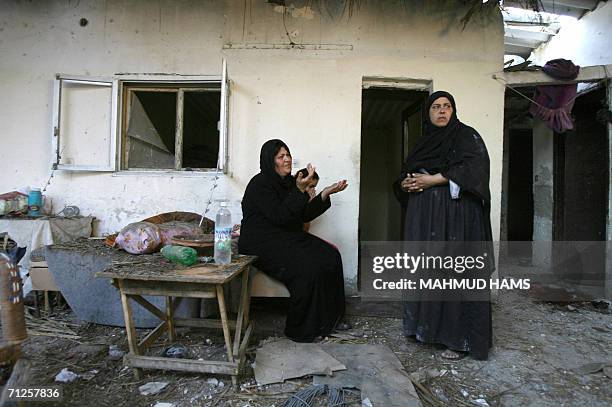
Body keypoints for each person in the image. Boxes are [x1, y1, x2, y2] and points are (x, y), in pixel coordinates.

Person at [393, 91, 494, 360]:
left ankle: (458, 339)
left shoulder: (467, 137)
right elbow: (405, 175)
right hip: (425, 218)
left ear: (454, 110)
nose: (441, 111)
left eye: (447, 106)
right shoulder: (423, 143)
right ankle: (426, 330)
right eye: (436, 107)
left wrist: (435, 180)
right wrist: (405, 183)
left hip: (457, 218)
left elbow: (476, 171)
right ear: (428, 113)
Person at [239, 139, 349, 342]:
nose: (287, 159)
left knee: (330, 256)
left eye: (288, 155)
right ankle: (300, 329)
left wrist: (324, 193)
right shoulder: (259, 184)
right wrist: (299, 190)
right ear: (269, 161)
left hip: (286, 237)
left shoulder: (289, 183)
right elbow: (280, 216)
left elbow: (304, 214)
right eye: (281, 156)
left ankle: (330, 320)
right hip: (261, 242)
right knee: (307, 268)